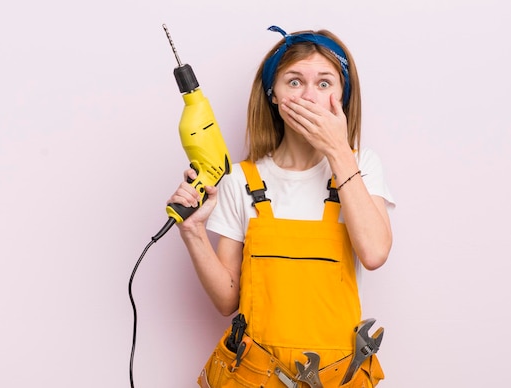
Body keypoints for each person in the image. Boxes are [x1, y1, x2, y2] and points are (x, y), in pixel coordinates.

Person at [168, 25, 395, 387]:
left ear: (343, 95)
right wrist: (193, 232)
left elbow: (374, 252)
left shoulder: (360, 165)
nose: (309, 96)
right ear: (273, 93)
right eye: (294, 82)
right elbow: (228, 300)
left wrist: (338, 151)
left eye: (324, 83)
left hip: (337, 376)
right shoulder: (241, 179)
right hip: (252, 376)